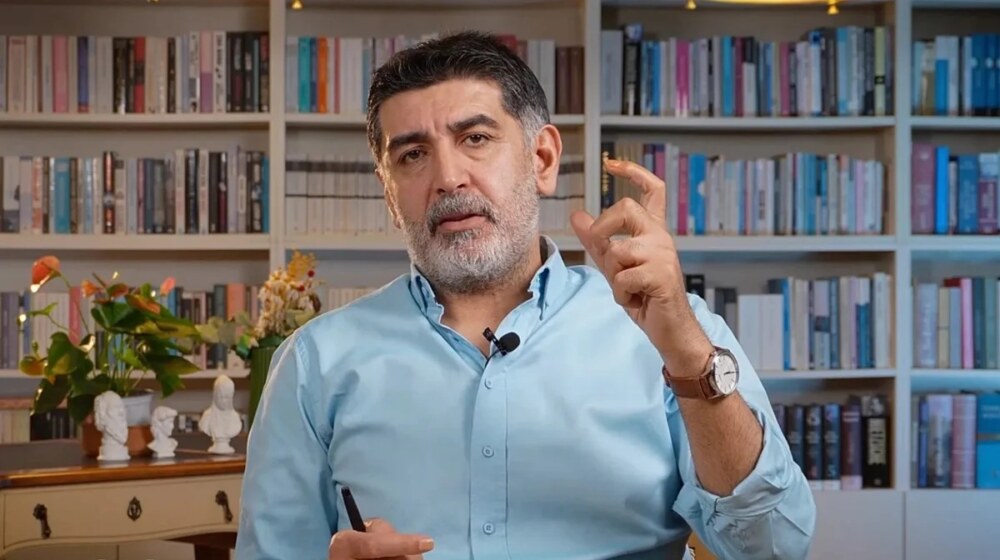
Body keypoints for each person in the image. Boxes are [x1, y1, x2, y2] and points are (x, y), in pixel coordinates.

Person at [235, 30, 815, 560]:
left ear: (542, 159)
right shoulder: (313, 363)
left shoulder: (671, 331)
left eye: (476, 138)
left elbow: (775, 548)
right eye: (412, 155)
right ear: (390, 194)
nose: (448, 178)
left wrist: (686, 353)